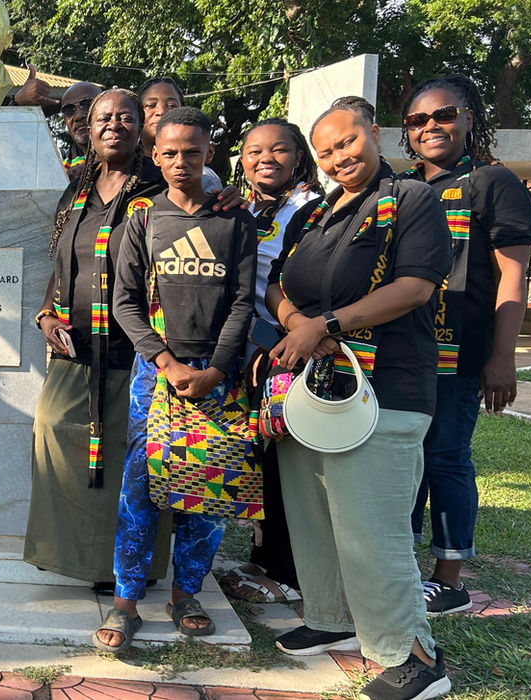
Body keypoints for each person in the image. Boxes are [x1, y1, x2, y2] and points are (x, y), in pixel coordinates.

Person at [266, 102, 453, 700]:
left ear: (375, 133)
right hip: (315, 388)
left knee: (371, 528)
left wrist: (325, 326)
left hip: (387, 387)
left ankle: (414, 658)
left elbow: (414, 286)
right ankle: (331, 617)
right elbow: (276, 284)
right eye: (325, 151)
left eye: (347, 143)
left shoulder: (412, 201)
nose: (338, 158)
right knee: (313, 512)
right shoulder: (315, 214)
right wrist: (296, 322)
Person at [99, 107, 257, 652]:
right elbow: (123, 302)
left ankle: (186, 594)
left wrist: (215, 369)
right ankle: (125, 603)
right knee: (138, 490)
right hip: (155, 378)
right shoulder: (144, 218)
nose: (180, 162)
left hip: (221, 379)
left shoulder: (236, 220)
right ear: (155, 155)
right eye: (169, 152)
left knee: (205, 495)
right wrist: (166, 363)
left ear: (210, 152)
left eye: (192, 151)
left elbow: (242, 300)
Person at [25, 88, 172, 593]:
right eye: (102, 118)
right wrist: (46, 314)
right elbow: (63, 261)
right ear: (88, 128)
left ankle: (132, 565)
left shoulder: (162, 186)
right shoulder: (78, 189)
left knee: (133, 457)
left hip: (141, 351)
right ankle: (74, 555)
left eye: (124, 117)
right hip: (76, 348)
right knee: (54, 427)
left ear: (141, 125)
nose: (113, 125)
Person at [399, 75, 531, 615]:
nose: (431, 126)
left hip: (458, 355)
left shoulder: (491, 183)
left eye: (444, 115)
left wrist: (501, 357)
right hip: (402, 353)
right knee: (403, 460)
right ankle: (401, 568)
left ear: (470, 119)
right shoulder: (403, 186)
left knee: (446, 456)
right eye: (417, 120)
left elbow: (512, 277)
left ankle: (449, 580)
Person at [219, 118, 324, 605]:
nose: (265, 158)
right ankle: (263, 558)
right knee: (263, 460)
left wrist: (271, 343)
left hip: (288, 353)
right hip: (253, 353)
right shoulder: (252, 209)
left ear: (299, 156)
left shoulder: (311, 210)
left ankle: (288, 573)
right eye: (254, 149)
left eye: (279, 150)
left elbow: (291, 288)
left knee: (286, 463)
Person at [137, 78, 223, 193]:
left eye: (172, 105)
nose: (161, 111)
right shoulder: (122, 167)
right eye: (151, 105)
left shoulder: (204, 178)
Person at [56, 81, 101, 180]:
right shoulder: (60, 168)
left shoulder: (132, 158)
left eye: (87, 105)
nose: (78, 116)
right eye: (69, 110)